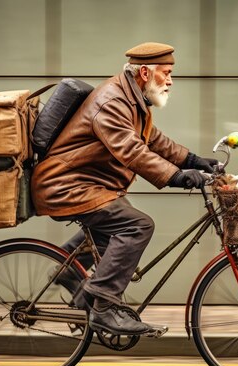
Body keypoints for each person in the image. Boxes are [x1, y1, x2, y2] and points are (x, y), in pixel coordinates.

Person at [31, 42, 218, 335]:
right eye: (166, 73)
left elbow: (152, 139)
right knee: (137, 226)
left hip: (88, 185)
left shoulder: (130, 98)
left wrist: (192, 159)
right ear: (145, 72)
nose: (170, 80)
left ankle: (70, 272)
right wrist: (176, 176)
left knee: (114, 229)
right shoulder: (113, 101)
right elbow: (132, 151)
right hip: (66, 185)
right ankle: (103, 309)